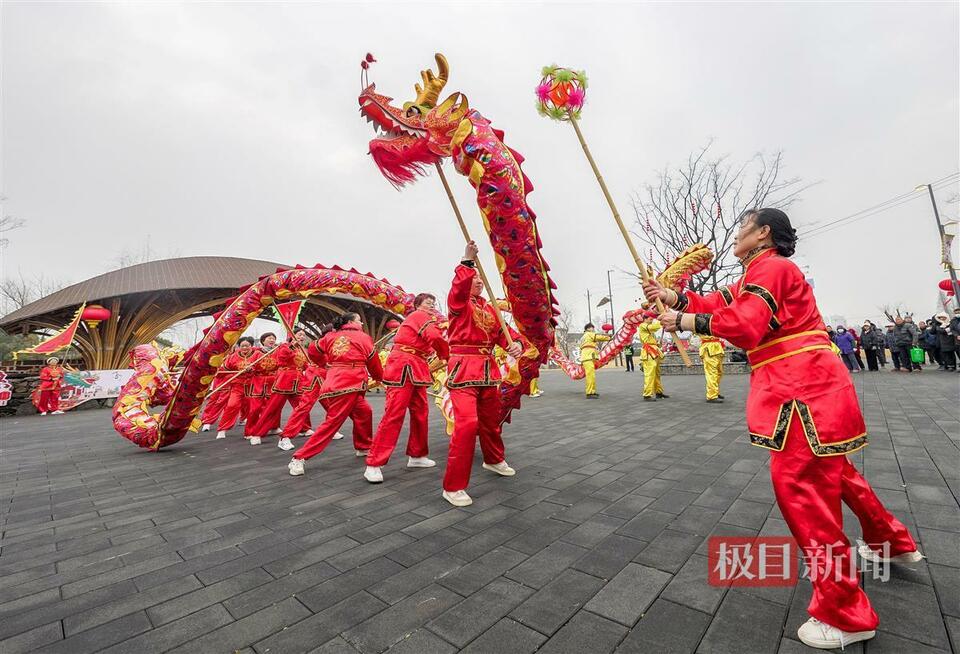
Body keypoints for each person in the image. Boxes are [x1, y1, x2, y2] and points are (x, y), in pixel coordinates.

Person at [644, 207, 920, 650]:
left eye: (742, 228)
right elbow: (721, 303)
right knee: (837, 473)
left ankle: (845, 612)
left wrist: (685, 322)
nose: (736, 236)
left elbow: (747, 326)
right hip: (810, 383)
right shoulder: (761, 273)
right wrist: (676, 298)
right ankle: (891, 541)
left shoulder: (771, 267)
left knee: (801, 484)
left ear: (763, 233)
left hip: (799, 389)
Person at [440, 241, 522, 507]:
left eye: (480, 280)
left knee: (490, 421)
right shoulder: (459, 305)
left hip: (488, 371)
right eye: (474, 278)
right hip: (463, 369)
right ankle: (452, 486)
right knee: (466, 424)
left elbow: (504, 334)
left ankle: (494, 459)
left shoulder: (490, 310)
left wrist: (516, 343)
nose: (478, 282)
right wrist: (467, 260)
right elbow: (458, 290)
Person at [364, 293, 449, 484]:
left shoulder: (426, 319)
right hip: (404, 366)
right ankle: (373, 463)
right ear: (418, 305)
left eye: (433, 303)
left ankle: (417, 455)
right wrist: (448, 354)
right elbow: (434, 337)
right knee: (394, 415)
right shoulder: (419, 315)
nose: (431, 306)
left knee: (421, 412)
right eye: (428, 303)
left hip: (417, 366)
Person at [287, 313, 383, 477]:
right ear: (352, 322)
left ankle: (363, 446)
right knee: (332, 423)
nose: (361, 323)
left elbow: (313, 349)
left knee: (364, 412)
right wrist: (380, 378)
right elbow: (373, 361)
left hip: (340, 381)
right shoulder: (363, 337)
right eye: (360, 320)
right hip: (347, 383)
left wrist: (324, 362)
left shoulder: (331, 336)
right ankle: (299, 457)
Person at [248, 330, 311, 448]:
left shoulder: (302, 350)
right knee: (273, 408)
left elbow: (306, 365)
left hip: (298, 381)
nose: (302, 337)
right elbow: (281, 360)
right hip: (284, 380)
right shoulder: (284, 346)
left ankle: (304, 428)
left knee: (302, 406)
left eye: (303, 335)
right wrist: (291, 346)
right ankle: (257, 434)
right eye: (299, 334)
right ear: (292, 336)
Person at [214, 337, 261, 438]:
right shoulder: (233, 356)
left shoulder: (258, 355)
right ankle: (222, 429)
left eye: (247, 346)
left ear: (251, 346)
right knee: (232, 405)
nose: (245, 348)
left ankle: (251, 431)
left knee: (252, 409)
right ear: (239, 347)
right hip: (237, 386)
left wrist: (252, 369)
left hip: (252, 386)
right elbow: (225, 369)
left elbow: (262, 368)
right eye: (242, 346)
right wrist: (216, 372)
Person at [637, 313, 668, 401]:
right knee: (650, 373)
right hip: (648, 352)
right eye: (650, 319)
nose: (651, 321)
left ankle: (658, 392)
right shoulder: (643, 326)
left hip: (654, 351)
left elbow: (652, 334)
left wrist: (657, 343)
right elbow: (653, 328)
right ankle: (647, 395)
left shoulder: (650, 330)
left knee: (657, 373)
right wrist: (661, 322)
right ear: (645, 319)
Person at [579, 324, 610, 398]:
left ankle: (592, 391)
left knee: (591, 376)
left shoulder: (583, 337)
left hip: (586, 357)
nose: (593, 329)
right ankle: (589, 393)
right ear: (588, 329)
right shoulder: (589, 334)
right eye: (592, 328)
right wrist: (608, 337)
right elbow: (598, 337)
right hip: (588, 357)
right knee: (590, 376)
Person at [699, 335, 725, 402]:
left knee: (719, 372)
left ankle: (715, 392)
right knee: (712, 373)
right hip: (709, 348)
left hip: (717, 348)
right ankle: (712, 396)